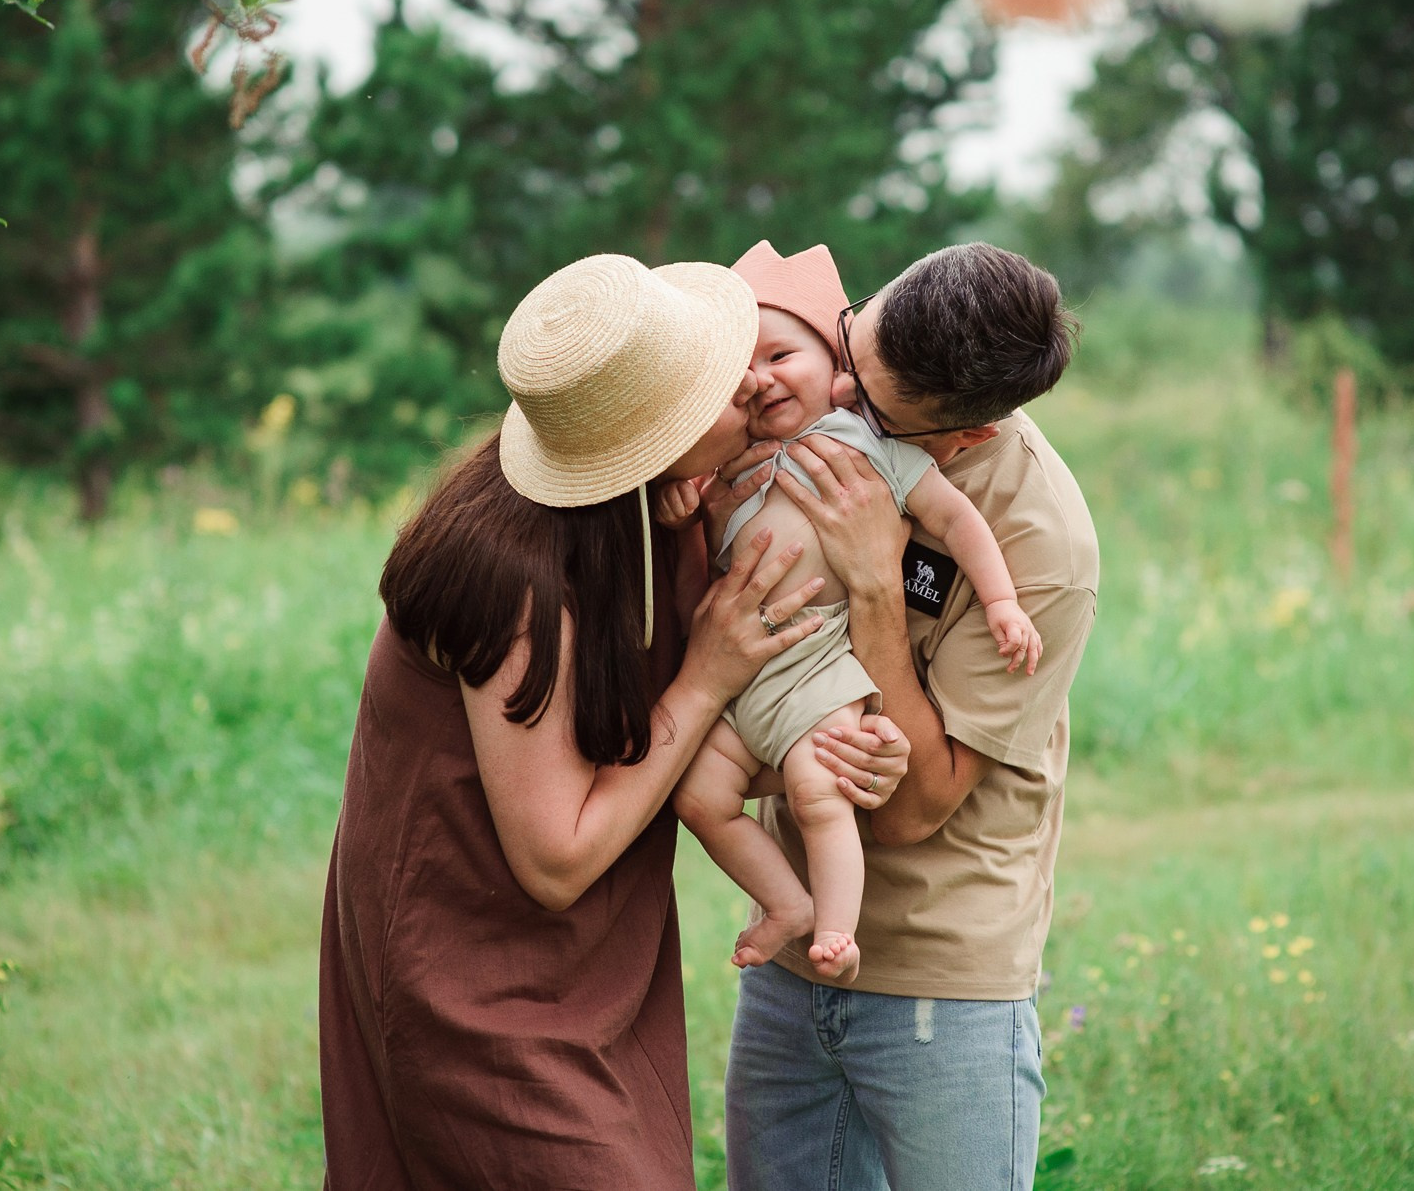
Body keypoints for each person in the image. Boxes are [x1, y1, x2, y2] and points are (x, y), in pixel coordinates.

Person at [316, 253, 913, 1190]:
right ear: (660, 437)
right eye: (723, 379)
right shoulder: (509, 569)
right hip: (475, 972)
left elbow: (654, 743)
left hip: (599, 961)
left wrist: (818, 744)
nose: (754, 382)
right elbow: (557, 856)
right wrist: (709, 676)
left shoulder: (653, 513)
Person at [721, 242, 1100, 1191]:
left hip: (940, 987)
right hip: (794, 965)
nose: (834, 390)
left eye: (871, 403)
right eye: (847, 342)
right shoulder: (822, 391)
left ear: (963, 437)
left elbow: (909, 807)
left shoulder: (1038, 542)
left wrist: (874, 581)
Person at [669, 243, 1042, 988]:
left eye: (782, 354)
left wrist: (1001, 601)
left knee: (820, 792)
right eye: (744, 362)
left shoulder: (871, 448)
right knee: (698, 797)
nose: (839, 391)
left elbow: (960, 520)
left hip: (816, 678)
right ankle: (783, 902)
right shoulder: (738, 443)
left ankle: (836, 929)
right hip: (741, 682)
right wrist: (682, 502)